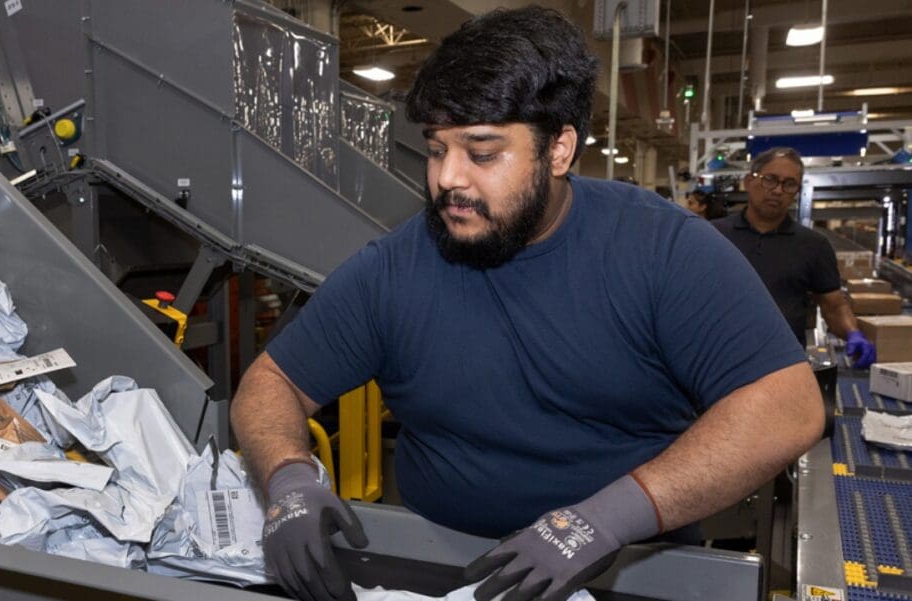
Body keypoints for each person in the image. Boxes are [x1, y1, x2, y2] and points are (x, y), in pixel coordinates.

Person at [230, 8, 824, 601]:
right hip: (443, 569)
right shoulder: (394, 269)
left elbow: (787, 407)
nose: (447, 178)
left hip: (629, 569)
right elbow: (271, 383)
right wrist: (289, 478)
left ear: (559, 149)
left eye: (482, 152)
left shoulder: (660, 250)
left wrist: (606, 520)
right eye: (437, 150)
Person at [713, 147, 876, 367]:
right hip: (718, 360)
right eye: (770, 179)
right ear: (749, 181)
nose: (778, 190)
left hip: (783, 366)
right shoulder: (713, 235)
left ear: (797, 192)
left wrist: (853, 333)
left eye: (789, 184)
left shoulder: (814, 245)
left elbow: (834, 307)